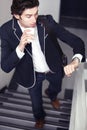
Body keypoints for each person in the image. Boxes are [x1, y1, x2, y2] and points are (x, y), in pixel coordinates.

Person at [0, 0, 85, 128]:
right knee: (36, 102)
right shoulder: (6, 30)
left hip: (54, 68)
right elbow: (5, 66)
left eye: (36, 13)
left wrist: (75, 61)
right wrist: (20, 46)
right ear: (16, 15)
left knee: (56, 88)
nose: (34, 19)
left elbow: (77, 42)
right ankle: (39, 118)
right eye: (29, 16)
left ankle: (52, 95)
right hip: (31, 74)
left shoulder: (46, 22)